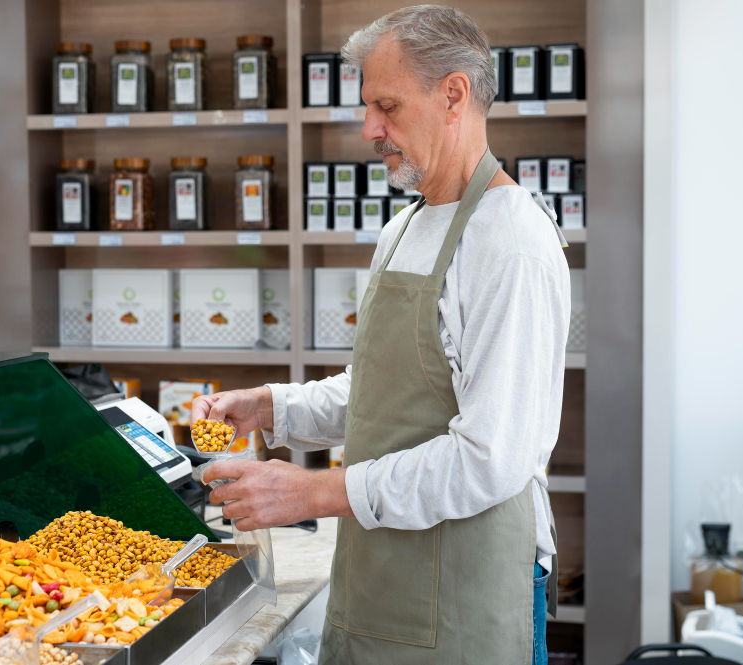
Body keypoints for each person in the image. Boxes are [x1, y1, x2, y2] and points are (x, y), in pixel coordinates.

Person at [193, 6, 570, 664]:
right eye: (369, 107)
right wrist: (273, 407)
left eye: (387, 106)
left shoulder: (512, 244)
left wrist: (312, 491)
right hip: (381, 575)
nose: (371, 129)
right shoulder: (403, 230)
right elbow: (386, 392)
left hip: (467, 593)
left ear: (453, 95)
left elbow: (489, 457)